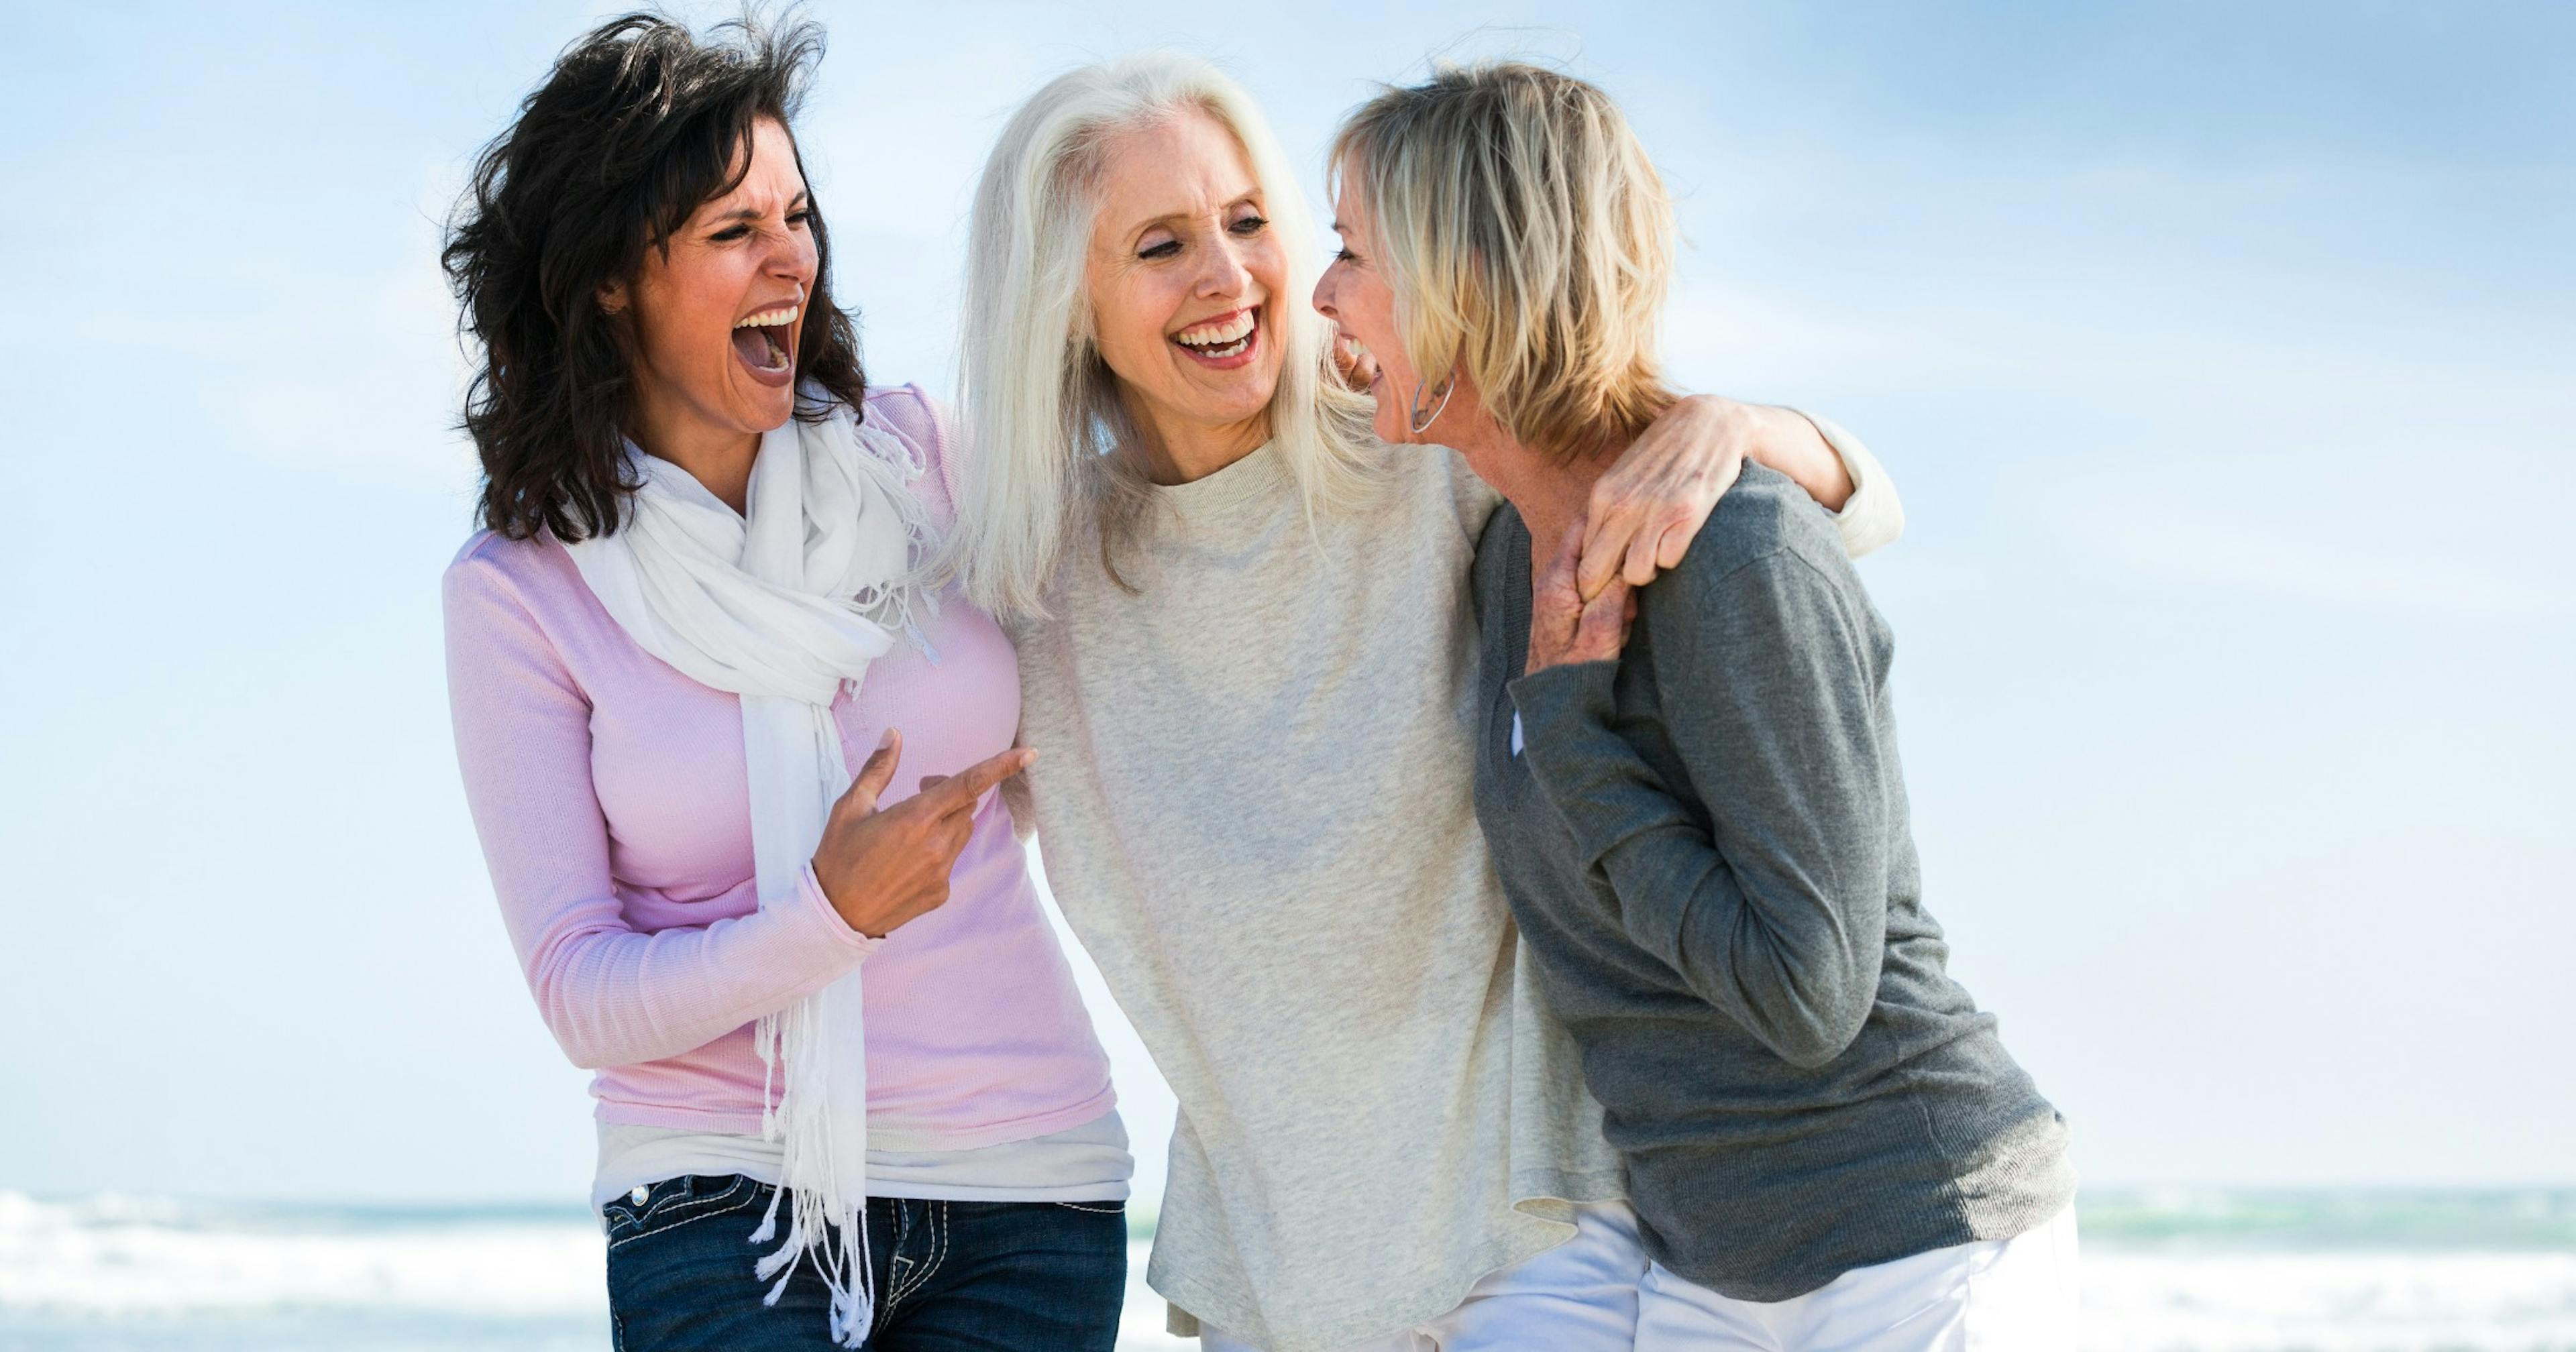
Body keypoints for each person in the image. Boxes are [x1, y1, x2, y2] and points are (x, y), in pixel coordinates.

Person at [944, 53, 1904, 1352]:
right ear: (1065, 302)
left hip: (1531, 1230)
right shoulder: (1032, 582)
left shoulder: (1412, 444)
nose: (1231, 280)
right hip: (1267, 1276)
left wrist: (1745, 426)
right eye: (1163, 246)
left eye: (1247, 225)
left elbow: (1842, 515)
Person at [1316, 62, 2080, 1351]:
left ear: (1468, 277)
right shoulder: (1509, 554)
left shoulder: (1740, 561)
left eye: (1350, 252)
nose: (1325, 294)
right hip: (1710, 1267)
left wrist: (1572, 733)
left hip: (1916, 1242)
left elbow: (1806, 991)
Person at [439, 16, 1128, 1349]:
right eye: (729, 230)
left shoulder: (926, 464)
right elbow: (583, 992)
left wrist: (1654, 442)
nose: (790, 258)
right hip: (715, 1205)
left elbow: (1180, 533)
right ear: (606, 281)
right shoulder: (520, 593)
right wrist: (830, 915)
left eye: (797, 214)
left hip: (1026, 1191)